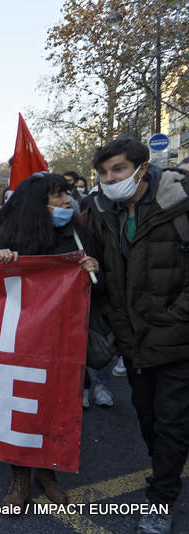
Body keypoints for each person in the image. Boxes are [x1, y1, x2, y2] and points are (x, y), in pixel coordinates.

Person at [85, 139, 189, 534]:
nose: (109, 179)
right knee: (148, 419)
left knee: (171, 423)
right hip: (134, 344)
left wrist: (171, 317)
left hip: (178, 340)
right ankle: (165, 472)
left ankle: (161, 500)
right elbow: (104, 281)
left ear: (142, 168)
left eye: (118, 170)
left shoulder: (179, 206)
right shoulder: (100, 213)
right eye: (103, 173)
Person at [0, 172, 100, 511]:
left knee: (59, 406)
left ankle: (49, 472)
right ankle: (20, 475)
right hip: (22, 341)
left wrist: (94, 270)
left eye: (66, 193)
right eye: (56, 196)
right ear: (37, 204)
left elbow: (99, 286)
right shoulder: (10, 236)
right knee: (20, 407)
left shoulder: (78, 233)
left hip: (65, 342)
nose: (66, 201)